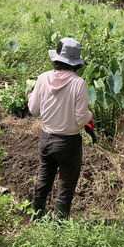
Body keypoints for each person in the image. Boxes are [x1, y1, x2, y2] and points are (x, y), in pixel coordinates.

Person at [27, 37, 93, 219]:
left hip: (46, 139)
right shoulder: (78, 83)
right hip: (69, 142)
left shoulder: (42, 78)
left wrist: (30, 95)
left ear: (57, 58)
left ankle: (36, 217)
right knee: (66, 186)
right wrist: (90, 116)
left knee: (43, 180)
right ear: (75, 63)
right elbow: (81, 119)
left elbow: (33, 110)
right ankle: (59, 226)